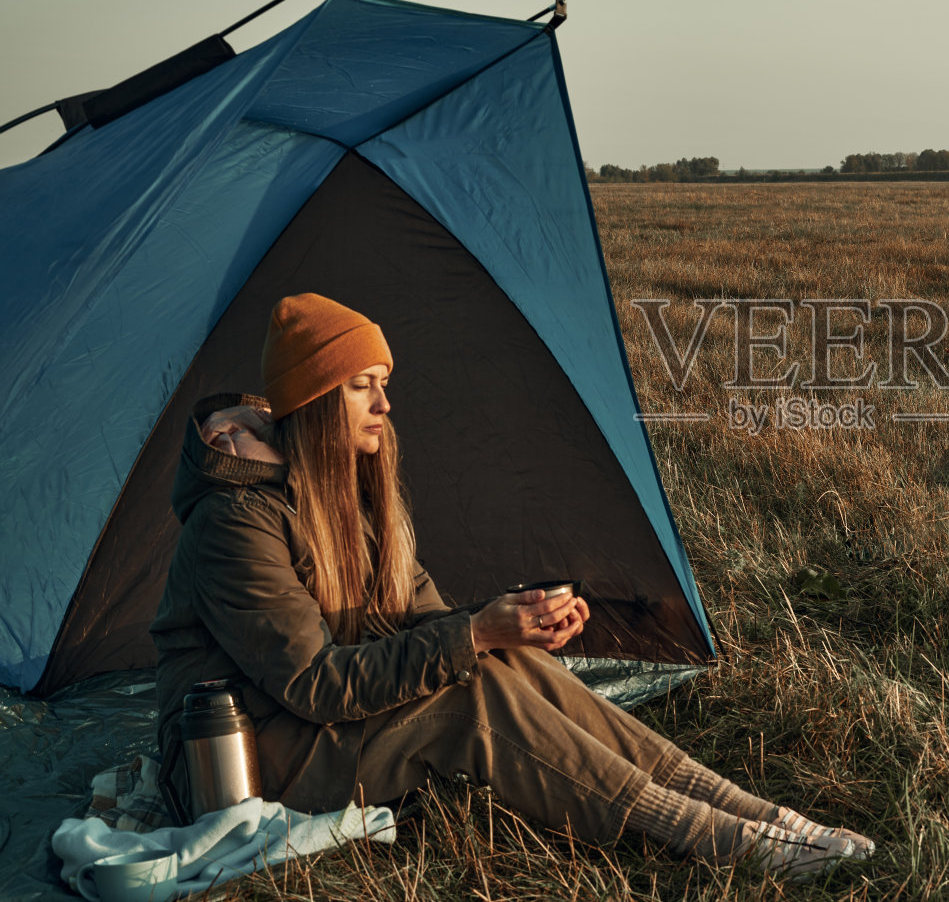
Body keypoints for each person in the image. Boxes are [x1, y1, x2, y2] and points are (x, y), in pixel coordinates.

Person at [150, 293, 874, 879]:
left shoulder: (346, 492)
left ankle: (749, 809)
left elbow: (425, 619)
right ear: (314, 401)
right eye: (362, 387)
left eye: (385, 386)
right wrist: (473, 633)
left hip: (308, 723)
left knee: (502, 659)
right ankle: (709, 837)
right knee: (469, 694)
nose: (385, 405)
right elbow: (314, 682)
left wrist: (515, 622)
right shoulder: (234, 522)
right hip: (245, 752)